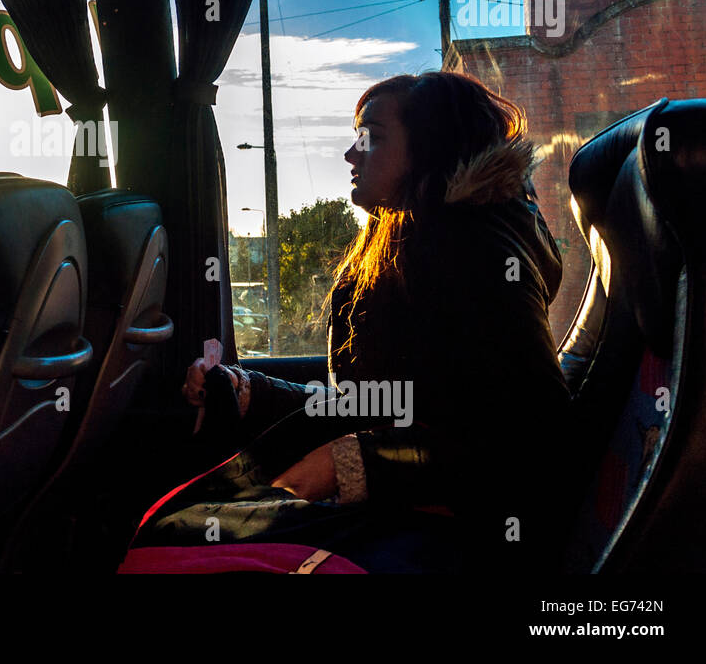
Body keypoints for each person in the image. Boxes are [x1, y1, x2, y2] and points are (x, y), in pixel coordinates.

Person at [129, 71, 573, 573]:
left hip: (462, 534)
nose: (351, 154)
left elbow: (535, 438)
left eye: (373, 138)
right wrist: (253, 391)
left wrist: (358, 462)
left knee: (172, 547)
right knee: (172, 532)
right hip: (405, 512)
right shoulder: (406, 236)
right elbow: (376, 401)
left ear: (432, 148)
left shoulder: (471, 248)